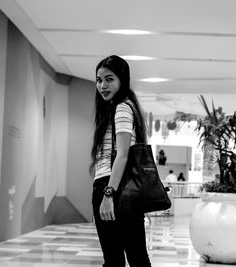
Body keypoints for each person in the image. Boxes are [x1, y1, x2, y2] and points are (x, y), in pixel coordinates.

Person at [90, 55, 151, 266]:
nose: (102, 85)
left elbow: (122, 154)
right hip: (123, 190)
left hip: (114, 188)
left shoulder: (122, 108)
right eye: (99, 80)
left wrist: (108, 194)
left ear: (122, 80)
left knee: (116, 259)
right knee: (136, 258)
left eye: (109, 79)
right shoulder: (121, 107)